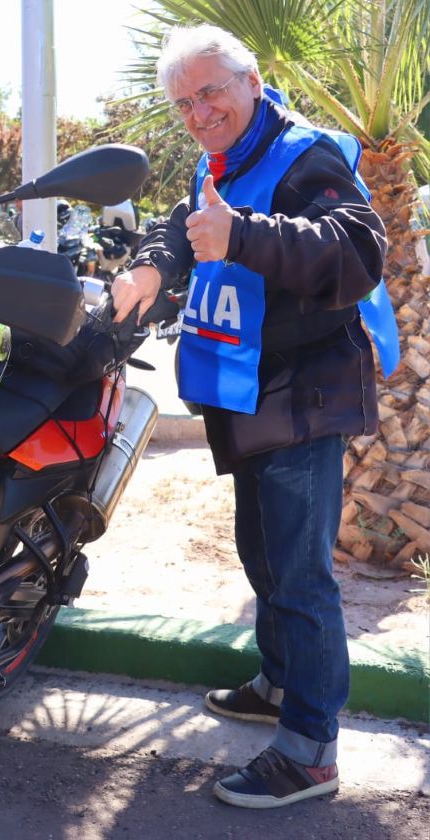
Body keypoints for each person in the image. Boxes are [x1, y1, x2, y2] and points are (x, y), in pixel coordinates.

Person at [111, 25, 389, 809]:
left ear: (252, 81)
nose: (199, 112)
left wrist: (245, 235)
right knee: (261, 556)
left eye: (211, 92)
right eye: (184, 103)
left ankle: (309, 751)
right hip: (249, 395)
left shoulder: (306, 157)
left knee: (300, 576)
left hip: (304, 393)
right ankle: (278, 682)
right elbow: (183, 225)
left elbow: (359, 249)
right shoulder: (221, 162)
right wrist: (152, 266)